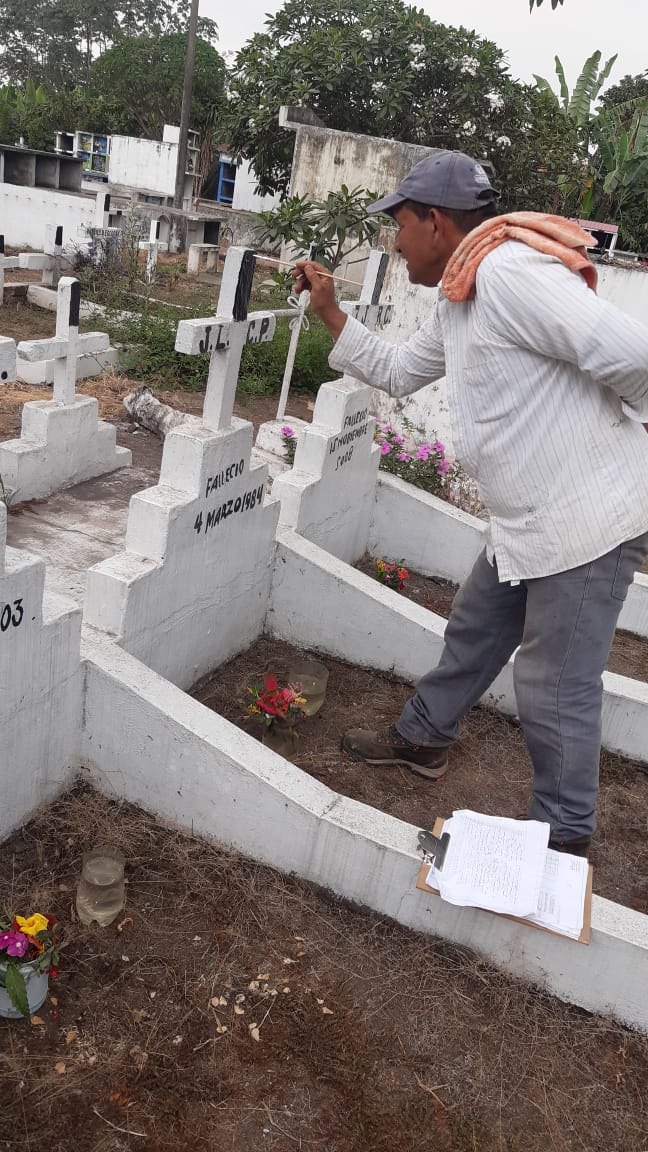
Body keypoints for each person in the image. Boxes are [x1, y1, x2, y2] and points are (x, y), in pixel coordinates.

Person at [293, 149, 648, 857]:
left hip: (586, 521)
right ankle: (423, 738)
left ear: (435, 221)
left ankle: (563, 838)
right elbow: (400, 371)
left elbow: (634, 355)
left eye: (401, 225)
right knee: (477, 628)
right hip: (526, 520)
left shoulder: (510, 273)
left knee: (553, 685)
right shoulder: (463, 290)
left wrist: (629, 442)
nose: (396, 242)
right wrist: (330, 311)